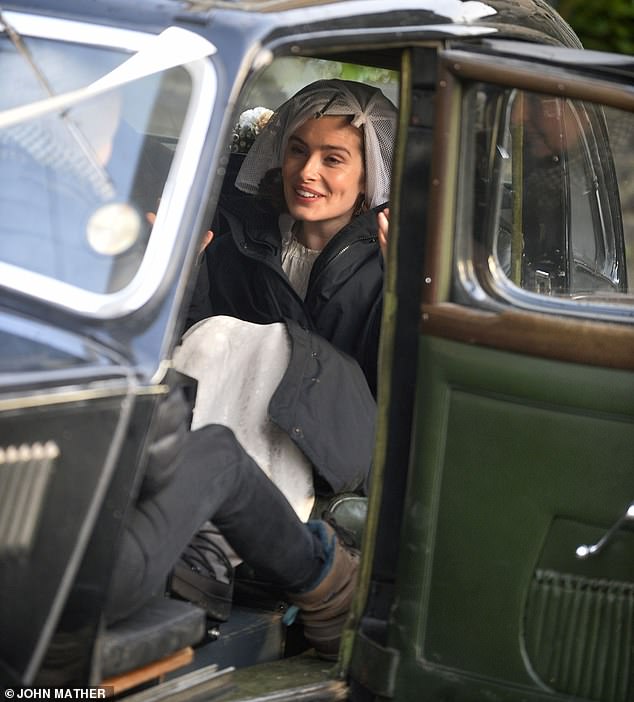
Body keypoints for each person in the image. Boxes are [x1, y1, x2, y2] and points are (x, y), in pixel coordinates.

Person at [190, 79, 397, 395]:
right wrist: (189, 272)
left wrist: (401, 294)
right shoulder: (238, 243)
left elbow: (389, 381)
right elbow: (200, 348)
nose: (306, 172)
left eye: (332, 159)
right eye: (298, 150)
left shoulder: (386, 266)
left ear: (369, 177)